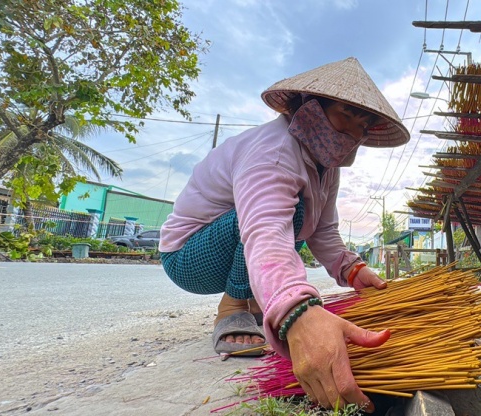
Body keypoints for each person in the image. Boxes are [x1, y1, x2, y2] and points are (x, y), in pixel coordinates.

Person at [158, 57, 410, 412]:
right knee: (288, 214)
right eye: (346, 115)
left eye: (363, 124)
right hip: (188, 257)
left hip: (237, 249)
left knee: (303, 215)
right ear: (307, 107)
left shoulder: (325, 165)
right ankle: (233, 309)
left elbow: (323, 229)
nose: (354, 133)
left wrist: (351, 269)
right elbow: (264, 229)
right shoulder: (273, 151)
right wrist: (298, 310)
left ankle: (258, 303)